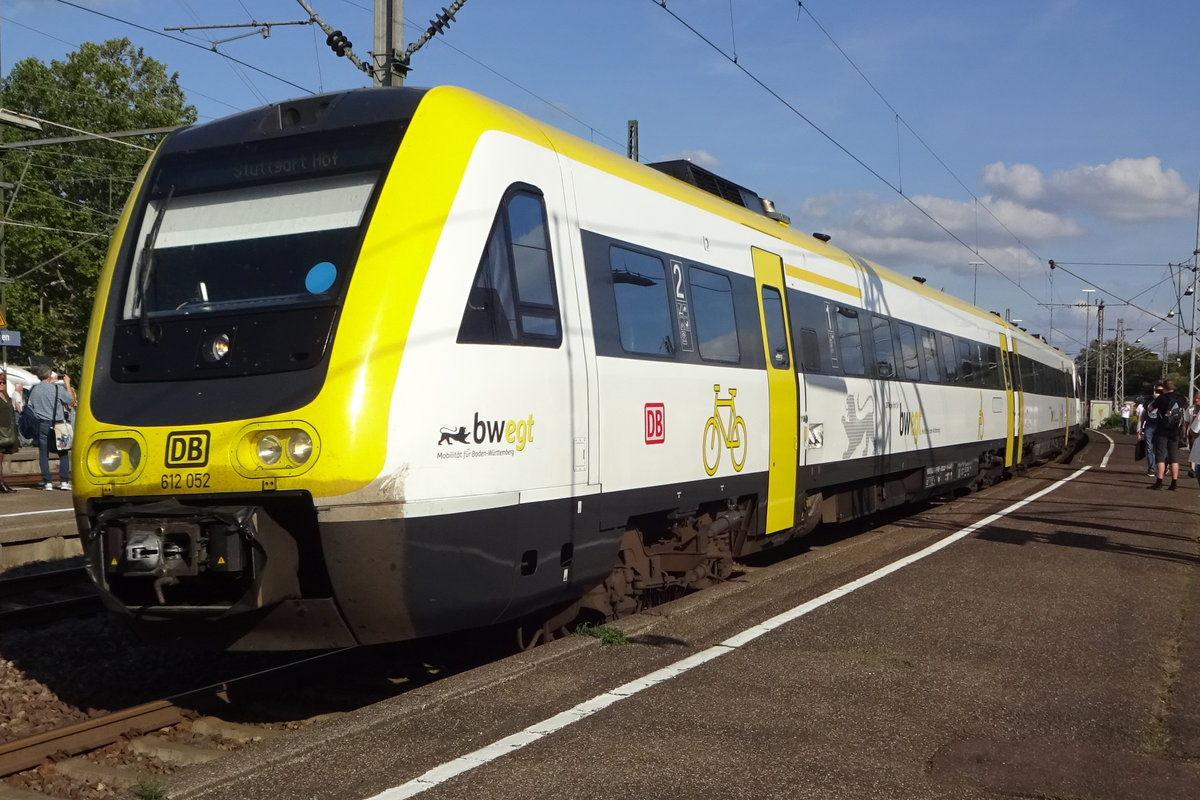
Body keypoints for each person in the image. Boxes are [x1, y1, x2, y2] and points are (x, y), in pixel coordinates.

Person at [25, 365, 74, 491]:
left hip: (41, 424)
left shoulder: (34, 390)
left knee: (43, 453)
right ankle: (64, 481)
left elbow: (30, 406)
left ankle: (47, 482)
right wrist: (67, 384)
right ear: (49, 376)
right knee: (63, 452)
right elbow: (70, 400)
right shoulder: (57, 388)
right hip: (57, 424)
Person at [1148, 379, 1185, 490]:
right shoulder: (1180, 398)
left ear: (1164, 388)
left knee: (1160, 456)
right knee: (1174, 458)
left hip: (1162, 431)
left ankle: (1159, 482)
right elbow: (1185, 403)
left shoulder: (1161, 398)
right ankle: (1174, 483)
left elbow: (1150, 408)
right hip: (1175, 432)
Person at [0, 370, 19, 493]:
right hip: (0, 431)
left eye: (3, 382)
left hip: (7, 432)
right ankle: (1, 483)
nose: (1, 384)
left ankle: (1, 482)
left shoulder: (6, 395)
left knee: (1, 458)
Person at [1138, 385, 1163, 478]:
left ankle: (1162, 465)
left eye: (1158, 391)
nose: (1155, 393)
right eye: (1155, 391)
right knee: (1149, 447)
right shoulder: (1148, 401)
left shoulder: (1164, 401)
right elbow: (1143, 414)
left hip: (1160, 427)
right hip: (1149, 426)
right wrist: (1140, 427)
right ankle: (1151, 468)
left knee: (1159, 448)